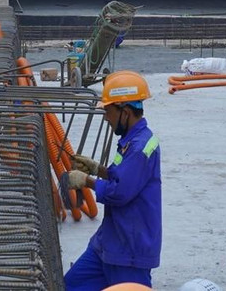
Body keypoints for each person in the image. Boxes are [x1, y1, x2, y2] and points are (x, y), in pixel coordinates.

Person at [63, 71, 161, 290]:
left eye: (108, 111)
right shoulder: (129, 141)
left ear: (125, 112)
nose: (106, 117)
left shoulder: (140, 147)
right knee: (73, 284)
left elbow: (120, 192)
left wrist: (86, 180)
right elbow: (123, 176)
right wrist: (99, 169)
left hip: (130, 249)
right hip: (109, 241)